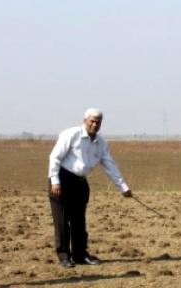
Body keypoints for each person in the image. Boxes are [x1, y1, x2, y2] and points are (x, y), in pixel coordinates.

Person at [48, 108, 132, 268]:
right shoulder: (71, 134)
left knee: (79, 220)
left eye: (98, 122)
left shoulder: (101, 142)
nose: (95, 124)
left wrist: (123, 187)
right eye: (92, 121)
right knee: (62, 220)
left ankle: (80, 254)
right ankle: (64, 255)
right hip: (62, 179)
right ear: (85, 121)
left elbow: (109, 164)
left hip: (80, 182)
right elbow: (54, 157)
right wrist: (55, 181)